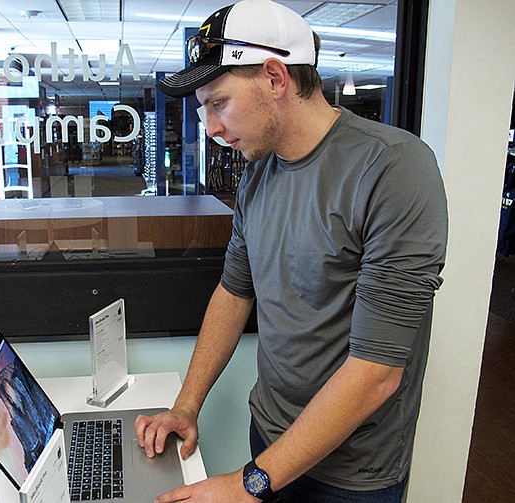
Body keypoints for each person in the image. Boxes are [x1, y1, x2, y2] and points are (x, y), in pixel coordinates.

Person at [134, 0, 448, 501]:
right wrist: (186, 405)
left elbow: (377, 373)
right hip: (270, 439)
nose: (211, 128)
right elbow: (234, 294)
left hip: (352, 475)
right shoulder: (259, 171)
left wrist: (248, 483)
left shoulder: (394, 170)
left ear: (276, 78)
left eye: (220, 102)